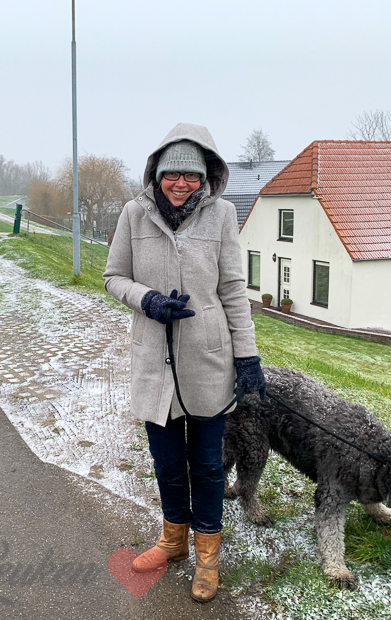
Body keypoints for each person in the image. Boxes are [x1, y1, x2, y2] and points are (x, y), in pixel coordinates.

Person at [103, 123, 266, 603]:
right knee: (168, 462)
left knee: (209, 466)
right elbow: (113, 276)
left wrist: (248, 356)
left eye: (191, 176)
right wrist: (148, 300)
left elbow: (233, 289)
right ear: (157, 173)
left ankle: (207, 556)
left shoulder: (223, 215)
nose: (181, 184)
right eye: (172, 174)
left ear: (206, 176)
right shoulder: (133, 214)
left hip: (208, 361)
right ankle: (173, 540)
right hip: (153, 362)